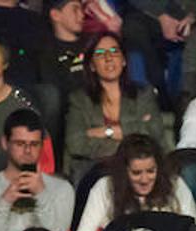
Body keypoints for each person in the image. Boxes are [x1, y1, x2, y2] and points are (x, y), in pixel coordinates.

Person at [72, 134, 196, 231]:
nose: (144, 180)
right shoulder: (105, 187)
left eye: (150, 171)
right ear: (124, 172)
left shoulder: (176, 185)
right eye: (136, 173)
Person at [65, 31, 171, 182]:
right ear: (92, 66)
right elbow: (76, 143)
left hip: (141, 169)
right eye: (100, 54)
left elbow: (154, 134)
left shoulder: (144, 94)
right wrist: (130, 136)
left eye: (114, 51)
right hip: (96, 170)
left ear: (124, 60)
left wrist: (104, 132)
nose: (108, 58)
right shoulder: (79, 100)